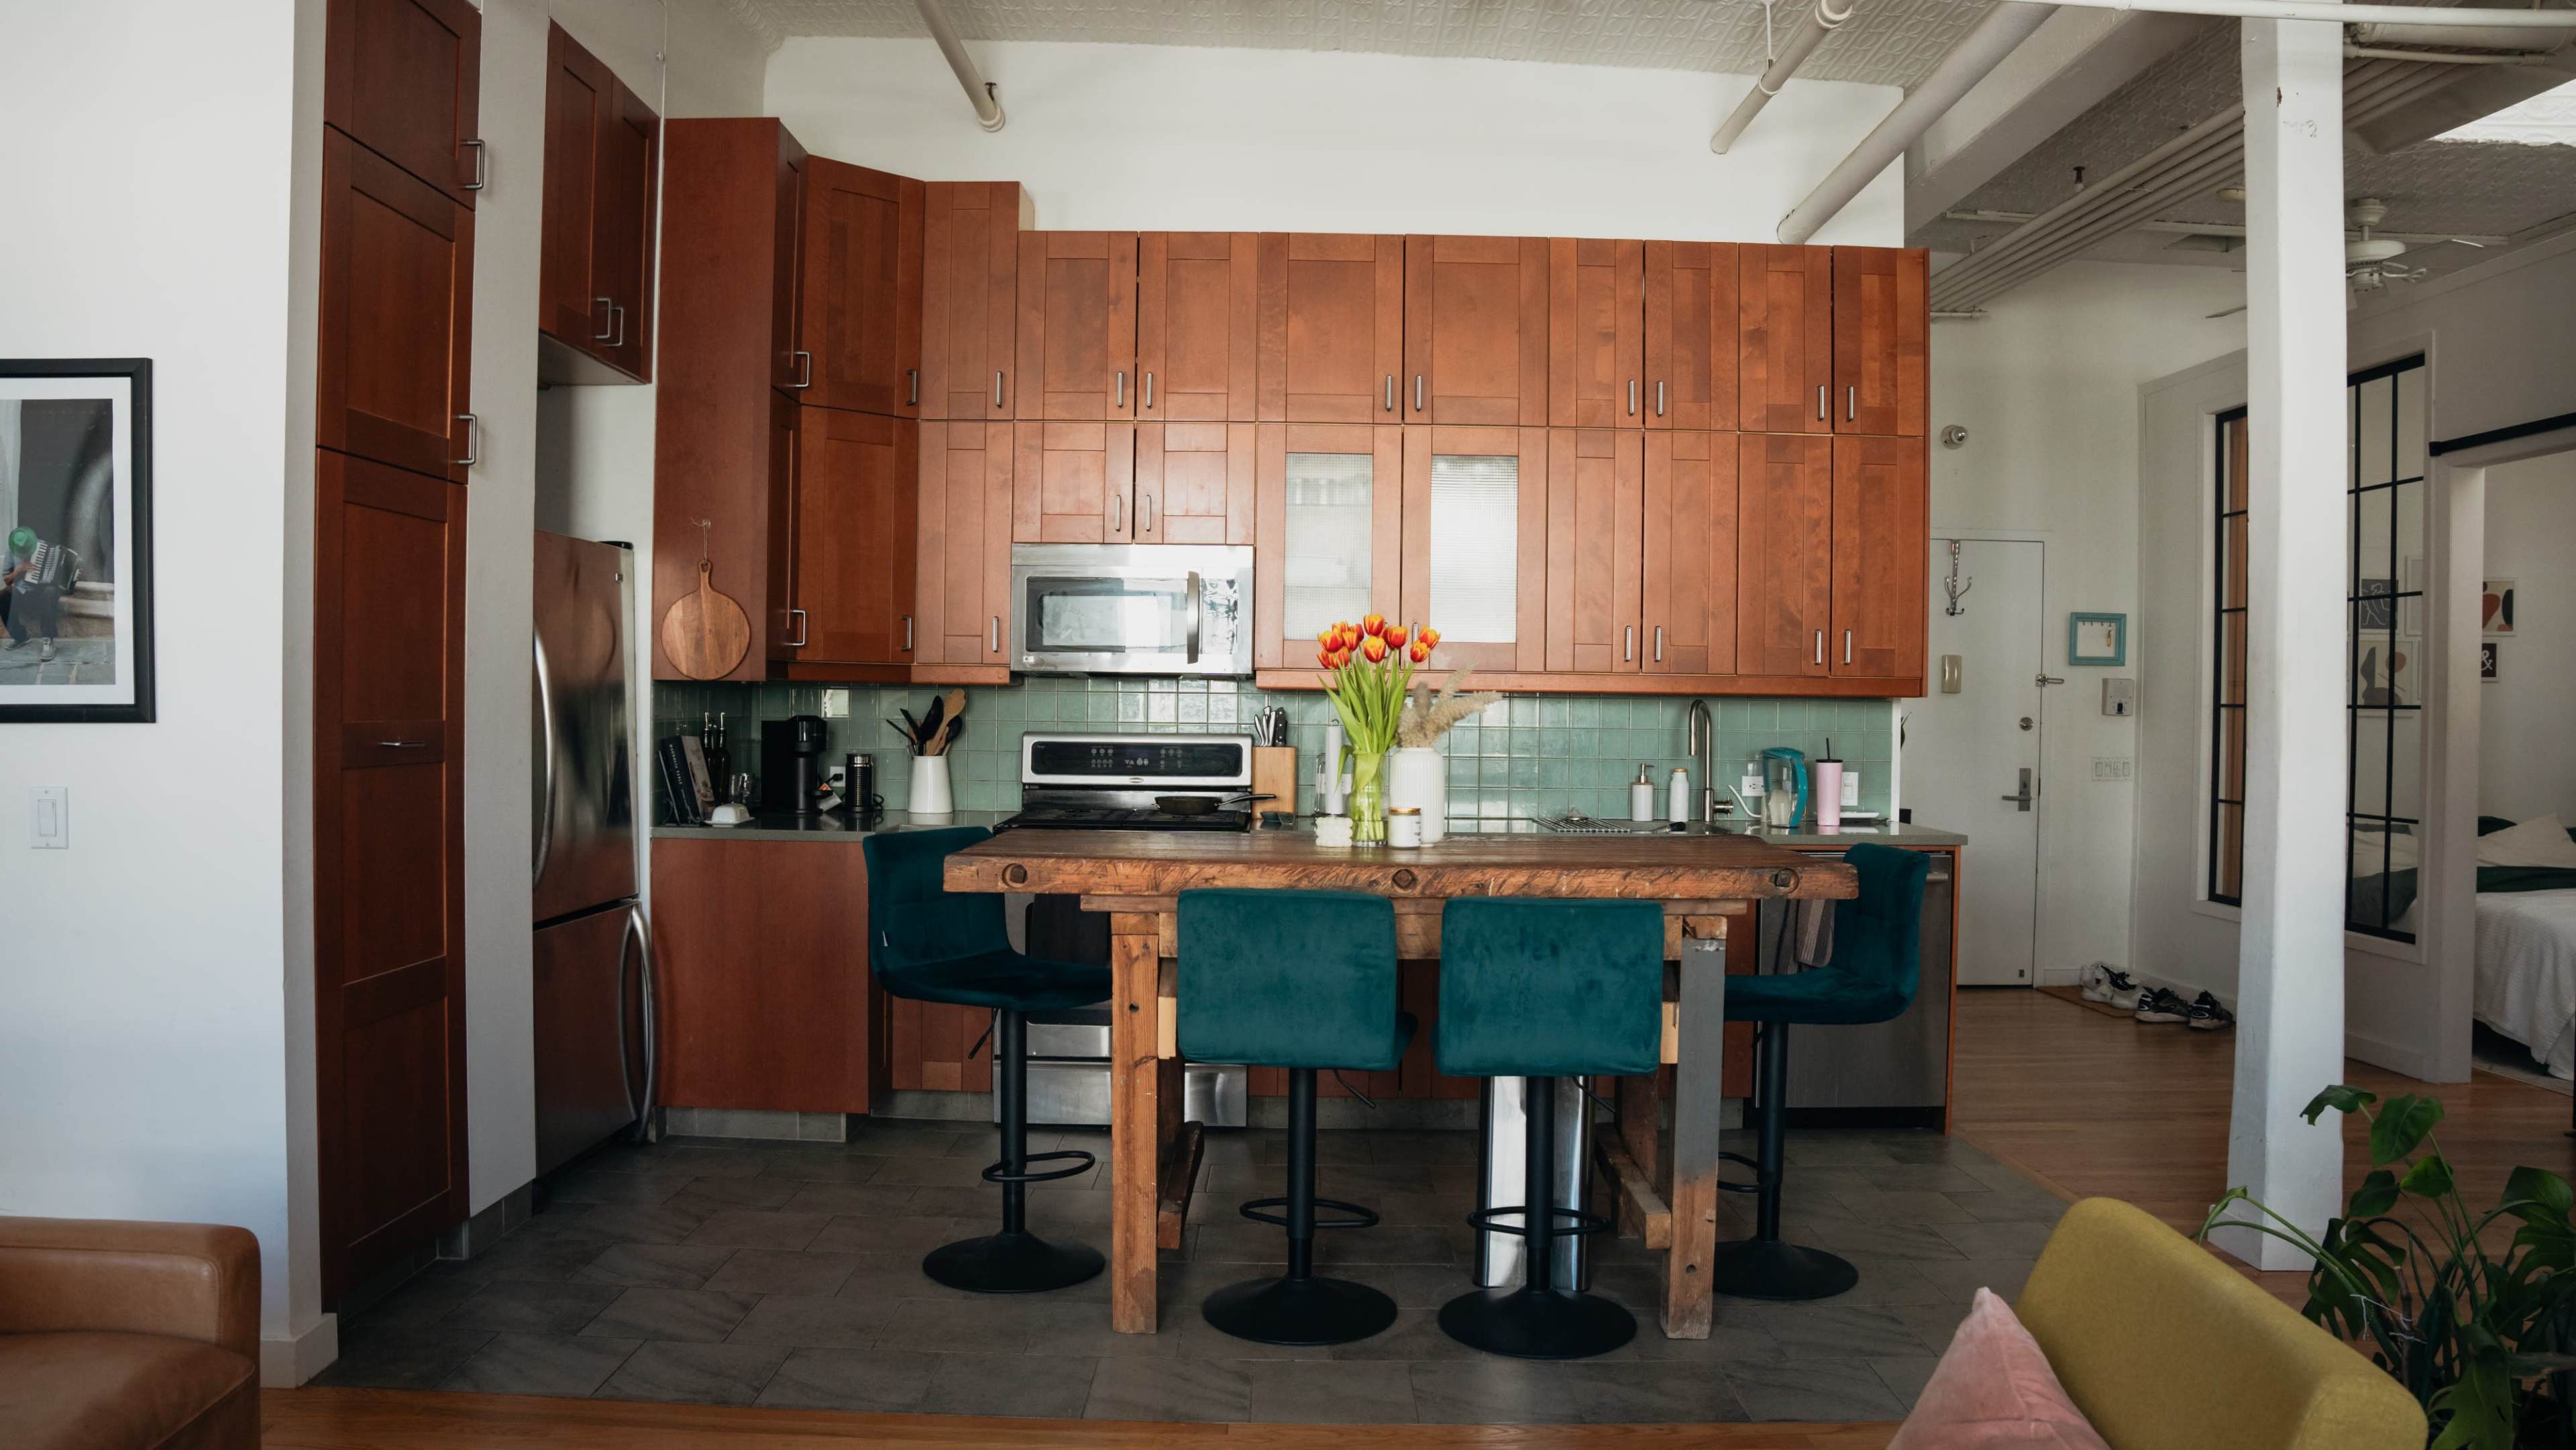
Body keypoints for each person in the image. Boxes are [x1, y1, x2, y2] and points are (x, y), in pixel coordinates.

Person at [3, 525, 69, 664]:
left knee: (50, 591)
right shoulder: (11, 550)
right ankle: (21, 637)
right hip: (22, 591)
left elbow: (64, 571)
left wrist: (73, 575)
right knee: (3, 596)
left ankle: (48, 640)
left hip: (42, 592)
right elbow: (7, 580)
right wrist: (18, 571)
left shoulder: (45, 549)